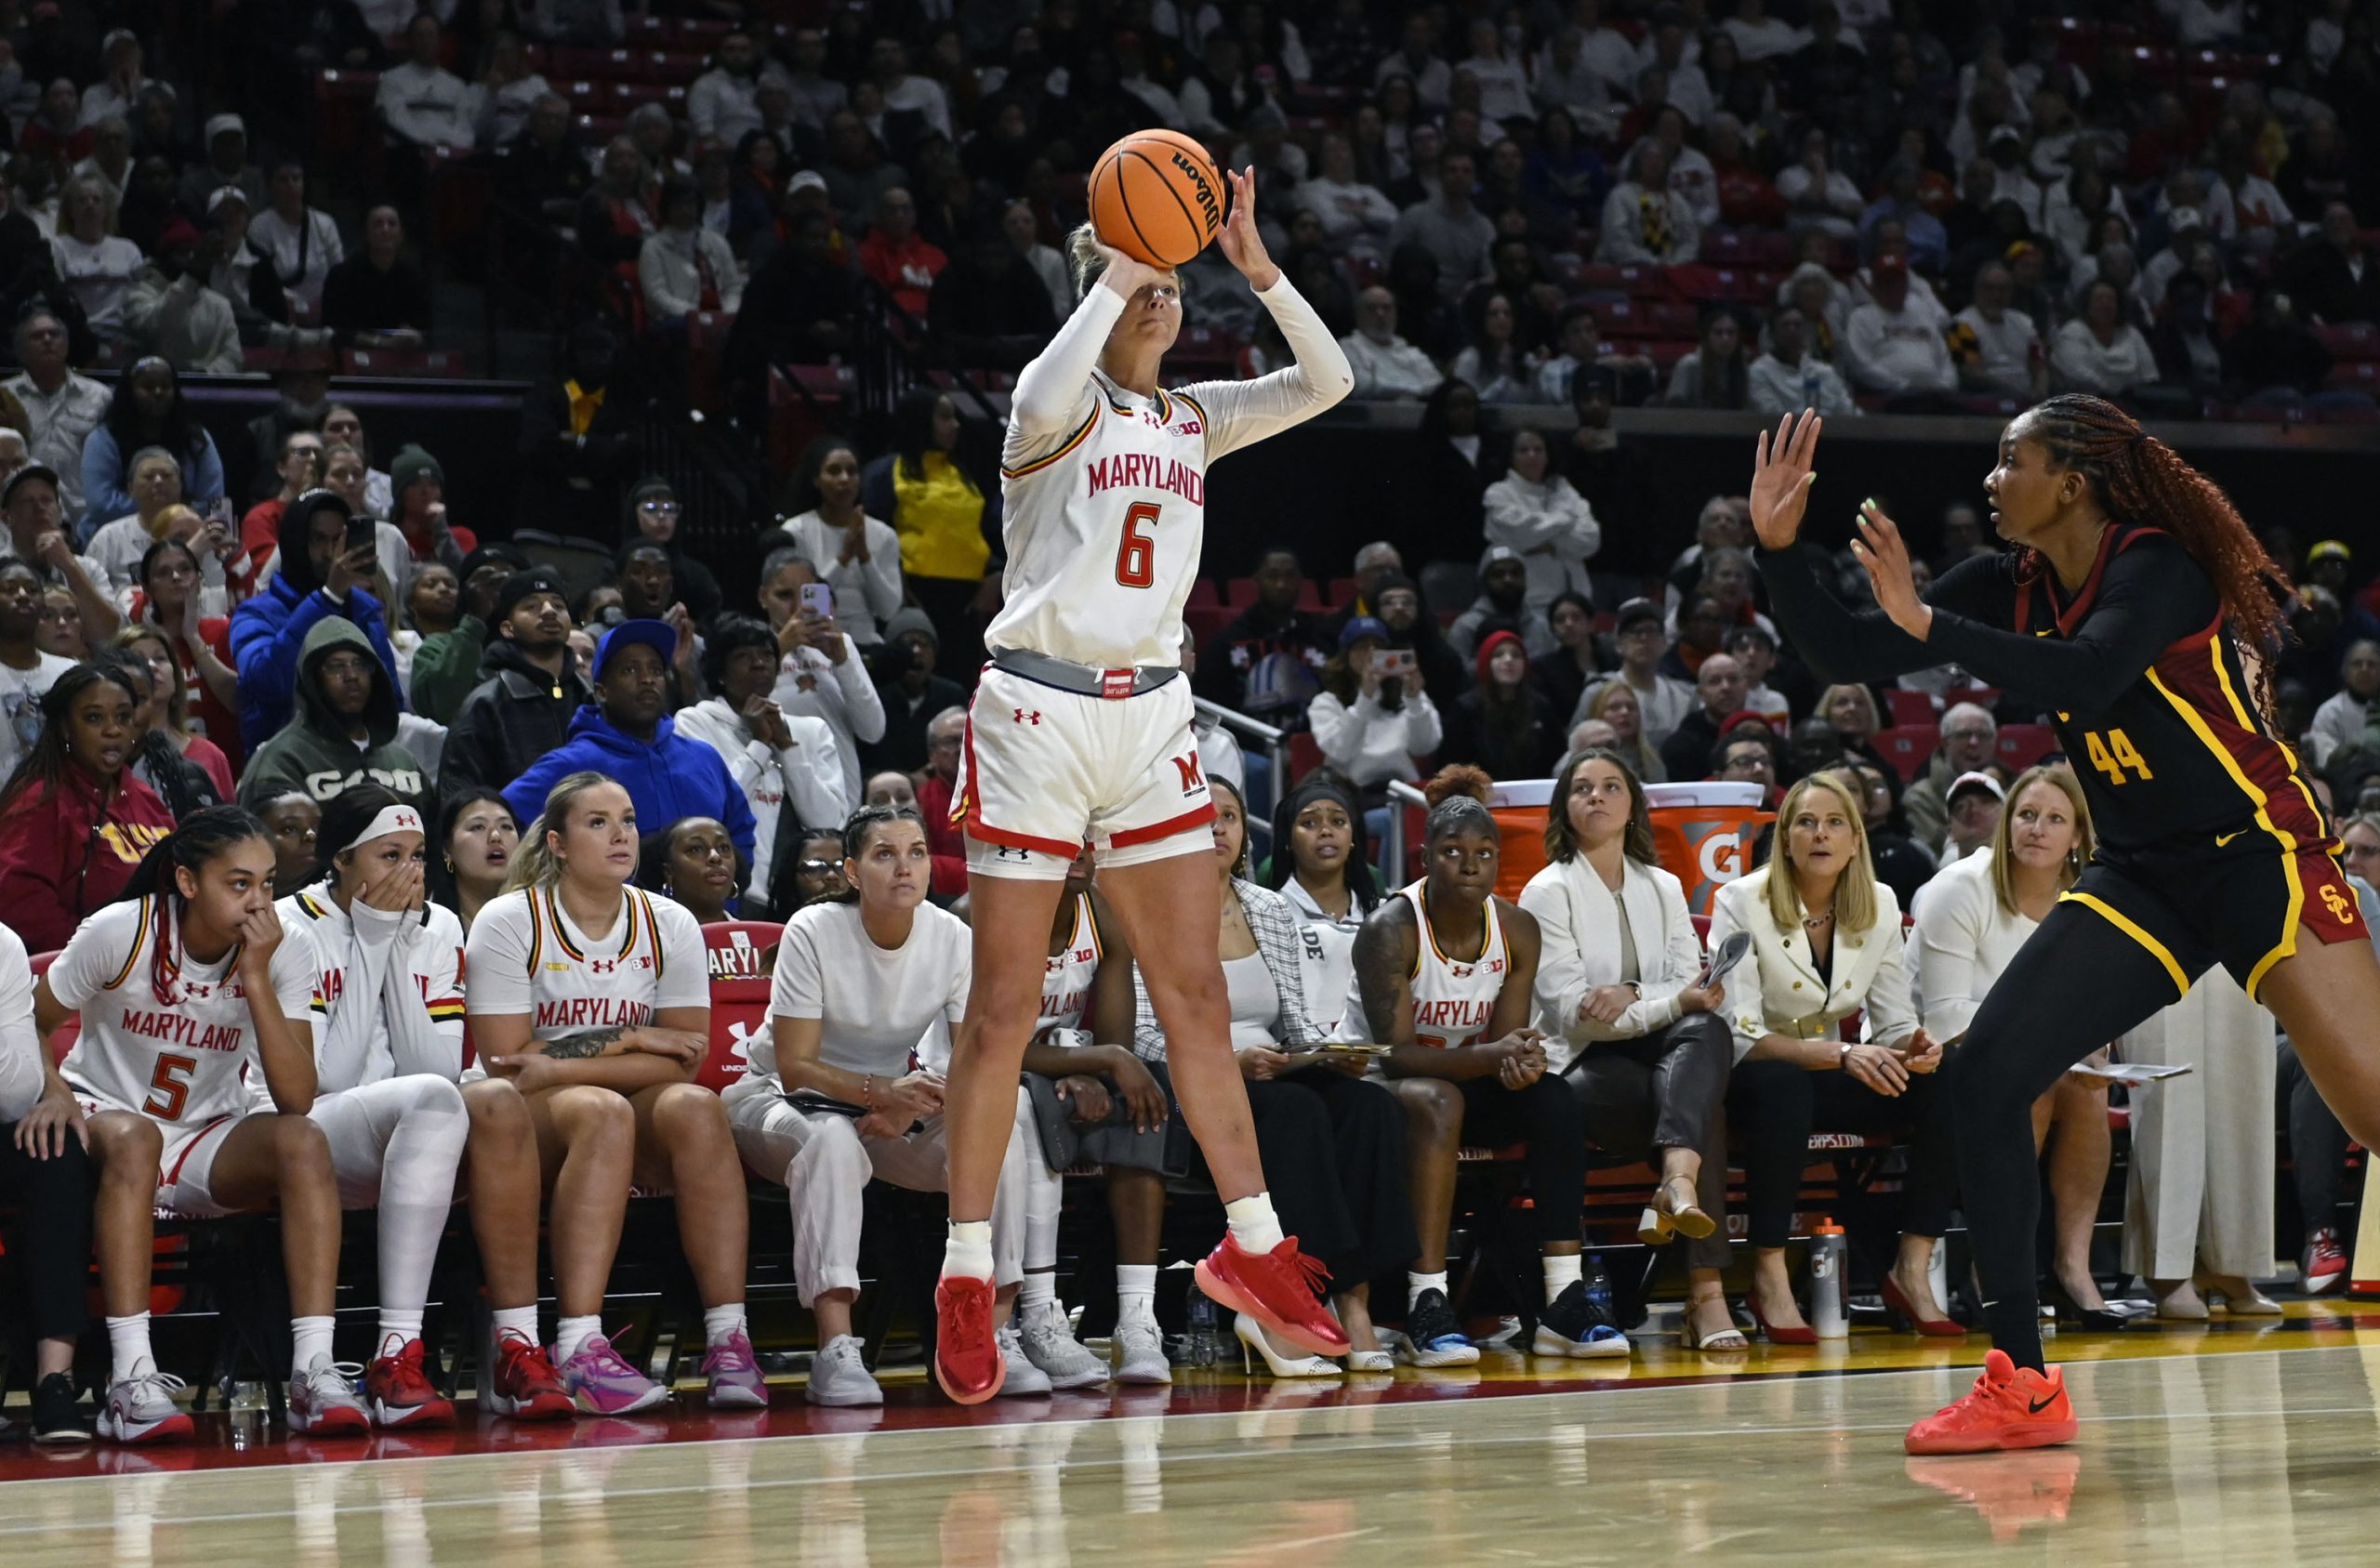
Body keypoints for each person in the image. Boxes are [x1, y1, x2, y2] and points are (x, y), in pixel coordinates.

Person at [1748, 399, 2380, 1454]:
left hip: (2260, 856)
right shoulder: (2016, 578)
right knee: (1987, 1073)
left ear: (2073, 480)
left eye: (2012, 461)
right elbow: (1849, 647)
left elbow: (2090, 672)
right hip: (2143, 875)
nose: (1990, 480)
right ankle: (2022, 1383)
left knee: (2371, 1113)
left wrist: (1924, 623)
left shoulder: (2157, 563)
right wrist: (1779, 553)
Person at [934, 170, 1359, 1404]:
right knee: (1002, 1006)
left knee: (1197, 1005)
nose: (1168, 301)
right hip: (1036, 710)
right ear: (1104, 293)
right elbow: (1033, 385)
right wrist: (1128, 250)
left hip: (1152, 716)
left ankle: (1258, 1248)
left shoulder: (1195, 420)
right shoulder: (1051, 415)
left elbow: (1328, 382)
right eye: (1145, 285)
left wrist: (1258, 265)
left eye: (1178, 287)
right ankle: (970, 1269)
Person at [30, 806, 363, 1442]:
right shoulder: (120, 931)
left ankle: (312, 1367)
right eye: (239, 884)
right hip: (109, 1118)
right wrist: (52, 1090)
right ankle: (132, 1375)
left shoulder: (284, 949)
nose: (259, 901)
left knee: (303, 1140)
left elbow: (295, 1096)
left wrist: (257, 976)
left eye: (267, 883)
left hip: (206, 1133)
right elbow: (30, 1017)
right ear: (187, 881)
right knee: (137, 1136)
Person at [724, 804, 1051, 1404]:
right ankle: (835, 1348)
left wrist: (910, 1104)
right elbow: (796, 1064)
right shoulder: (812, 929)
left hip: (883, 1107)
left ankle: (993, 1330)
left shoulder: (952, 935)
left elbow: (973, 1063)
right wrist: (884, 1093)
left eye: (917, 852)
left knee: (993, 1133)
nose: (904, 867)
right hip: (778, 1098)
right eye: (884, 854)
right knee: (831, 1142)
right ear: (851, 870)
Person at [465, 771, 765, 1413]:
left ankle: (729, 1339)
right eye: (597, 822)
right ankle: (579, 1347)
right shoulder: (509, 918)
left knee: (698, 1107)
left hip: (601, 1098)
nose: (620, 833)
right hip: (517, 1122)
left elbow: (685, 1058)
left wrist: (571, 1058)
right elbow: (509, 1063)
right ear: (559, 844)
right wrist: (636, 1038)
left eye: (626, 818)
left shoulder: (670, 921)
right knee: (602, 1113)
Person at [1340, 767, 1617, 1362]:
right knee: (1440, 1100)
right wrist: (1494, 1057)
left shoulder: (1516, 928)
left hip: (1463, 1080)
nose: (1470, 865)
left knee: (1555, 1099)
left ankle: (1563, 1298)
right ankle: (1427, 1302)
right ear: (1425, 859)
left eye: (1484, 854)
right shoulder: (1390, 930)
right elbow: (1394, 1059)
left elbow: (1506, 1040)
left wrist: (1521, 1062)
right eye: (1453, 852)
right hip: (1376, 1091)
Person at [1145, 780, 1410, 1375]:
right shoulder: (1151, 910)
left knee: (1371, 1108)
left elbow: (1293, 1023)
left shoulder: (1267, 908)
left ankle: (1354, 1300)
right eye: (1200, 818)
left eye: (1229, 817)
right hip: (1191, 1090)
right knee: (1299, 1112)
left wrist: (1322, 1055)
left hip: (1274, 1075)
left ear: (1244, 834)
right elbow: (1140, 1036)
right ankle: (1281, 1307)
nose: (1215, 828)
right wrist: (1225, 1064)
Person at [1710, 771, 1955, 1343]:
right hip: (1755, 1077)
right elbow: (1740, 1031)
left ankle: (1912, 1266)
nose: (1820, 834)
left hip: (1836, 1068)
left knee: (1948, 1079)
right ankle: (1768, 1273)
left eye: (1834, 823)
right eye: (1806, 822)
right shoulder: (1740, 900)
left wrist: (1912, 1048)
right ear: (1786, 839)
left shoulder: (1881, 903)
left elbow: (1892, 1021)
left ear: (1854, 841)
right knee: (1783, 1086)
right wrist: (1843, 1052)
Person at [1521, 750, 1742, 1351]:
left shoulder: (1664, 884)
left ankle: (1676, 1184)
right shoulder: (1547, 890)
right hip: (1582, 1065)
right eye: (1583, 788)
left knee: (1711, 1034)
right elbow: (1575, 1013)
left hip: (1662, 1052)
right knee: (1704, 1108)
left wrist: (1634, 994)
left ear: (1632, 806)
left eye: (1611, 786)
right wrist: (1669, 1002)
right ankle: (1705, 1290)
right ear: (1565, 807)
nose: (1597, 796)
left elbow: (1683, 981)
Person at [271, 786, 478, 1426]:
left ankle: (410, 1352)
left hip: (401, 1128)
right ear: (342, 859)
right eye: (390, 855)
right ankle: (394, 1348)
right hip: (293, 1128)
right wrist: (371, 940)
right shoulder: (288, 924)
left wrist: (385, 941)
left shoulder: (439, 926)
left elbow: (433, 1070)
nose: (409, 872)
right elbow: (326, 1078)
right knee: (437, 1102)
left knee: (463, 1100)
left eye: (418, 856)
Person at [1911, 764, 2122, 1326]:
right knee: (2035, 1081)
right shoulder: (1958, 889)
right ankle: (1993, 1273)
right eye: (2026, 815)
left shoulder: (2090, 902)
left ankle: (2073, 1270)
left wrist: (2089, 1046)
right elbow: (1944, 1015)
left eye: (2056, 819)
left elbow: (2092, 1004)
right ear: (2006, 825)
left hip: (2036, 1057)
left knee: (2088, 1086)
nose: (2037, 828)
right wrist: (2049, 1042)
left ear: (2077, 836)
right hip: (1932, 1054)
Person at [502, 620, 756, 867]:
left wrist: (729, 893)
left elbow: (740, 829)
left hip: (705, 910)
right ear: (601, 691)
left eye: (656, 670)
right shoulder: (570, 764)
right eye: (629, 670)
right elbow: (504, 825)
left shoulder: (703, 757)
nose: (647, 679)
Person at [674, 614, 847, 913]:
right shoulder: (695, 723)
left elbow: (827, 823)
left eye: (767, 655)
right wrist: (760, 745)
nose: (759, 664)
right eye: (743, 657)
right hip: (734, 892)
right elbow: (715, 810)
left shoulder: (811, 731)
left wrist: (787, 748)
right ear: (720, 673)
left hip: (800, 898)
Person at [0, 661, 177, 952]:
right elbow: (20, 905)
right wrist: (98, 951)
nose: (113, 730)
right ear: (66, 729)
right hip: (84, 972)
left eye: (123, 717)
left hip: (159, 962)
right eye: (94, 718)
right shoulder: (39, 802)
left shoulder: (144, 797)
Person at [0, 915, 96, 1443]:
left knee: (56, 1153)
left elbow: (16, 1093)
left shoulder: (3, 945)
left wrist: (51, 1093)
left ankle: (53, 1381)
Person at [230, 491, 399, 755]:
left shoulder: (365, 610)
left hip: (362, 765)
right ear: (295, 541)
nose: (330, 553)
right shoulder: (253, 614)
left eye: (338, 540)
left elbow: (390, 703)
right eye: (318, 539)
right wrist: (328, 598)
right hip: (284, 766)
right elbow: (269, 685)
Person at [862, 389, 1000, 683]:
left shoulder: (963, 472)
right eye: (945, 417)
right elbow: (873, 535)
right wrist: (897, 585)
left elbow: (988, 530)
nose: (955, 425)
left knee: (960, 680)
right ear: (921, 420)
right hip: (914, 594)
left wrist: (996, 573)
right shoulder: (888, 471)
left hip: (966, 600)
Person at [238, 617, 427, 808]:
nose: (352, 676)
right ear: (313, 679)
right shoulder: (281, 763)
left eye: (360, 665)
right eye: (336, 667)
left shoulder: (402, 760)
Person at [436, 568, 588, 800]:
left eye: (558, 606)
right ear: (508, 628)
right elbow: (460, 799)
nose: (549, 612)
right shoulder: (485, 704)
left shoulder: (590, 698)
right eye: (532, 606)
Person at [755, 547, 885, 802]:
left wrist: (842, 662)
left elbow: (873, 731)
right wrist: (779, 648)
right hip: (777, 794)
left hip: (841, 794)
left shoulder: (842, 645)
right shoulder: (751, 651)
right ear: (762, 597)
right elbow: (742, 714)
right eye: (784, 595)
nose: (797, 608)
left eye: (806, 595)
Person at [1264, 778, 1382, 1038]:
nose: (1326, 831)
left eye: (1338, 821)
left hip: (1373, 1054)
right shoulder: (1270, 913)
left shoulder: (1382, 914)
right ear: (1288, 840)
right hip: (1303, 1056)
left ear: (1352, 838)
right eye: (1309, 823)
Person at [78, 358, 227, 545]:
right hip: (114, 538)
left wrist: (165, 511)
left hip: (187, 538)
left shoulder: (197, 438)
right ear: (129, 392)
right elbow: (101, 505)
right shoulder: (103, 438)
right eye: (148, 387)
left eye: (165, 386)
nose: (158, 392)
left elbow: (215, 503)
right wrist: (170, 505)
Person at [778, 439, 901, 649]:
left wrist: (864, 557)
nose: (844, 479)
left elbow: (888, 611)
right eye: (834, 471)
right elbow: (807, 604)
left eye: (852, 471)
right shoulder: (795, 531)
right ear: (816, 479)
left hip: (867, 643)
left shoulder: (884, 534)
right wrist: (843, 557)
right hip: (816, 642)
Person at [1307, 615, 1444, 802]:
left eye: (1378, 646)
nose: (1371, 653)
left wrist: (1414, 700)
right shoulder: (1326, 702)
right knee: (1385, 820)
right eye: (1362, 647)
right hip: (1353, 795)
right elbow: (1340, 750)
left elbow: (1424, 746)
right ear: (1347, 655)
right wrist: (1366, 698)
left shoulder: (1408, 695)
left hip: (1404, 792)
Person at [4, 310, 112, 524]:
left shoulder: (98, 396)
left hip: (84, 517)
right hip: (19, 515)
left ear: (67, 344)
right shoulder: (5, 397)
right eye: (37, 336)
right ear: (21, 350)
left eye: (54, 334)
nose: (47, 340)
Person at [112, 623, 233, 801]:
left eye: (160, 658)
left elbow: (233, 825)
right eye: (138, 660)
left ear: (176, 674)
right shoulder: (110, 757)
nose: (152, 666)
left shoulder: (211, 755)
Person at [1483, 429, 1600, 613]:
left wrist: (1550, 546)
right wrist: (1565, 519)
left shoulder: (1563, 488)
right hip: (1529, 601)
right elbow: (1523, 535)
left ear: (1548, 455)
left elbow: (1591, 539)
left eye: (1538, 449)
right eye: (1524, 450)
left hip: (1576, 598)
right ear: (1512, 457)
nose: (1532, 455)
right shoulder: (1498, 493)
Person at [1445, 629, 1564, 780]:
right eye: (1498, 655)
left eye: (1516, 655)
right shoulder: (1465, 709)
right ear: (1486, 663)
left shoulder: (1541, 707)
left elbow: (1556, 757)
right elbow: (1453, 766)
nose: (1508, 660)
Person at [0, 554, 76, 787]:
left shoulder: (70, 672)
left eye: (32, 589)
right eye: (10, 589)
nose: (22, 596)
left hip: (65, 807)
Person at [1580, 598, 1695, 745]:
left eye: (1652, 630)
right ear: (1618, 644)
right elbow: (1577, 747)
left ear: (1664, 643)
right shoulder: (1597, 693)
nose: (1644, 638)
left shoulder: (1685, 696)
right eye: (1635, 631)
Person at [1903, 703, 2002, 852]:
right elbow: (1938, 846)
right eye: (1964, 735)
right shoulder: (1921, 797)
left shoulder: (2012, 787)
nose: (1974, 742)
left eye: (1983, 735)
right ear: (1945, 742)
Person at [429, 787, 517, 931]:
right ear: (447, 849)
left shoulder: (542, 917)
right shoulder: (426, 924)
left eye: (506, 826)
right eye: (478, 827)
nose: (495, 836)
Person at [1659, 652, 1751, 782]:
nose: (1726, 687)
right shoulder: (1680, 748)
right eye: (1715, 681)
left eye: (1733, 679)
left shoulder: (1765, 737)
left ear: (1746, 686)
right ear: (1701, 693)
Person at [637, 816, 740, 926]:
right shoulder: (650, 937)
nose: (715, 857)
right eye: (696, 849)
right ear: (669, 871)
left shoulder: (754, 936)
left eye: (723, 848)